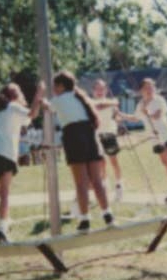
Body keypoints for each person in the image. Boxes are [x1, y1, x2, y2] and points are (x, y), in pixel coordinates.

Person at [43, 70, 114, 233]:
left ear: (61, 86)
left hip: (73, 136)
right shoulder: (80, 97)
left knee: (81, 183)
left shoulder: (58, 100)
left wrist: (40, 94)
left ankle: (84, 220)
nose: (53, 89)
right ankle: (107, 214)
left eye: (54, 86)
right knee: (97, 181)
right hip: (89, 135)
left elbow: (46, 107)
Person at [0, 82, 43, 244]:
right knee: (4, 193)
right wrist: (39, 95)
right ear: (15, 95)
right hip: (6, 154)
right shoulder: (14, 107)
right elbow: (33, 114)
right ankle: (2, 229)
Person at [118, 78, 167, 205]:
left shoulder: (159, 100)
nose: (150, 90)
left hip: (164, 135)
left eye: (151, 87)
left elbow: (157, 115)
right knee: (166, 163)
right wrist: (121, 115)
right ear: (141, 90)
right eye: (147, 87)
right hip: (154, 138)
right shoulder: (140, 105)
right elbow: (135, 118)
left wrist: (147, 112)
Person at [91, 79, 124, 202]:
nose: (99, 91)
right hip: (96, 136)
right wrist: (113, 103)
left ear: (105, 90)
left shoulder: (111, 103)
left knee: (114, 161)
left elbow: (117, 116)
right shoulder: (91, 103)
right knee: (101, 164)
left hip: (109, 134)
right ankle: (104, 186)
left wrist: (118, 117)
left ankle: (119, 186)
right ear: (93, 91)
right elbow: (99, 106)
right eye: (97, 89)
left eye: (102, 89)